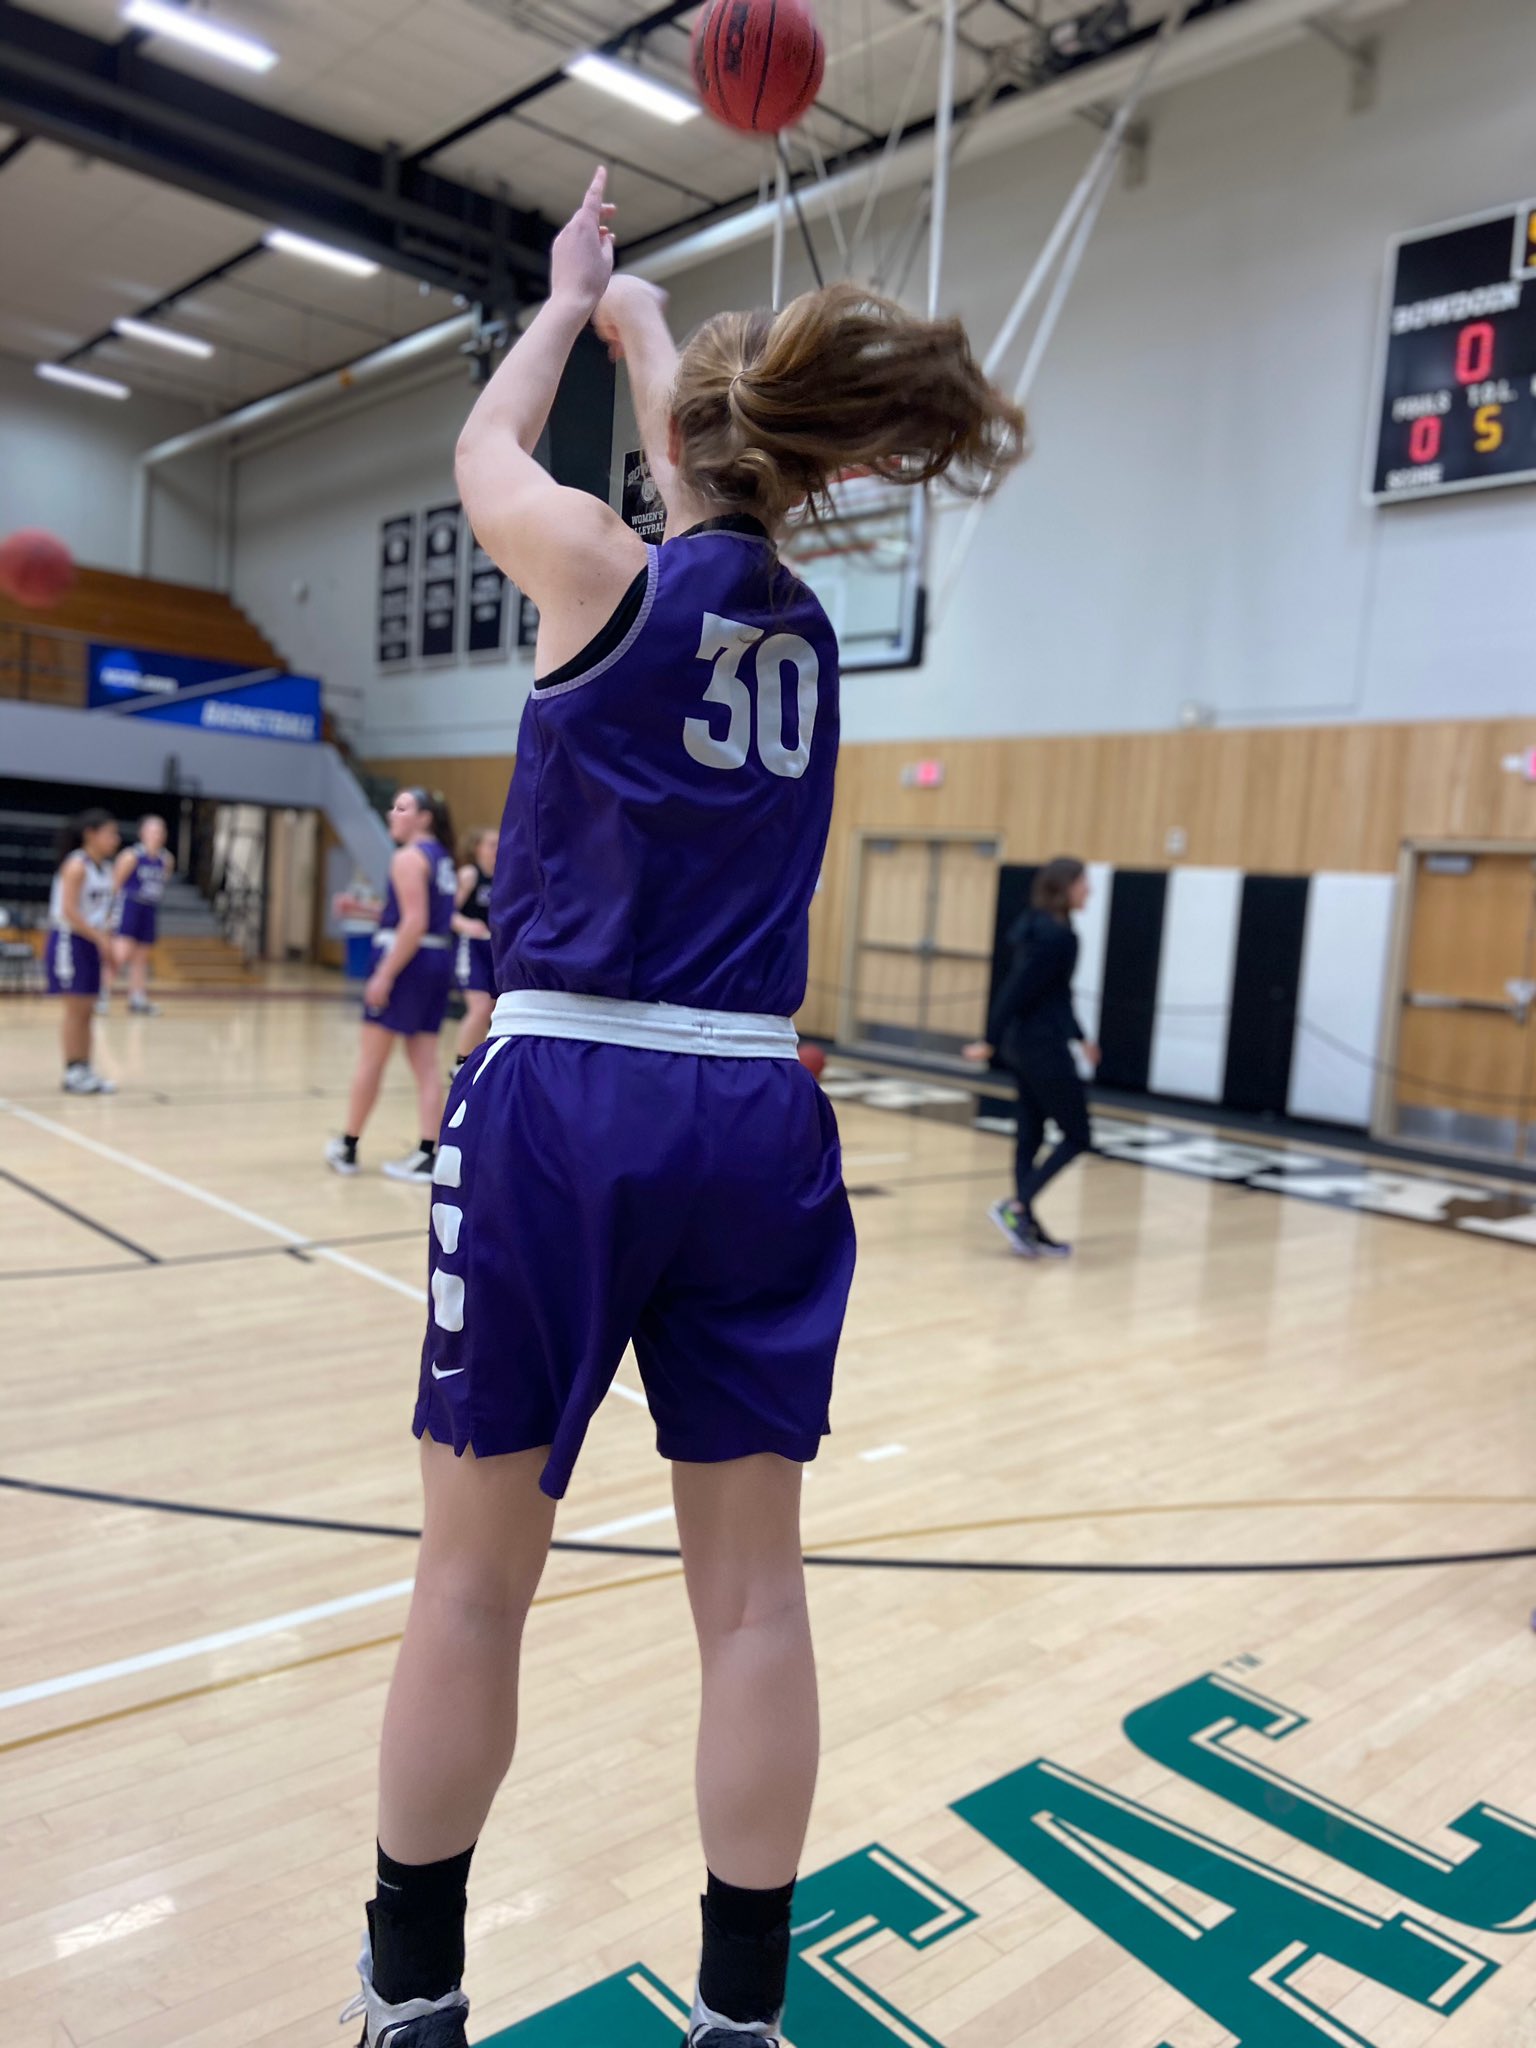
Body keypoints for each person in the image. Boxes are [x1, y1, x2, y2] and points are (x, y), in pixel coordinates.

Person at [337, 169, 1024, 2048]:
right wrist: (658, 343)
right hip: (755, 1109)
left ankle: (411, 1993)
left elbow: (486, 443)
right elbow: (714, 482)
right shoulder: (797, 633)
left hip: (568, 1095)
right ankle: (742, 2018)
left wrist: (565, 309)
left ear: (662, 461)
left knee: (473, 1586)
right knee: (753, 1606)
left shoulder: (591, 567)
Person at [964, 857, 1100, 1257]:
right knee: (1079, 1135)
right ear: (1064, 886)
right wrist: (987, 1039)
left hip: (1023, 1045)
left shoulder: (1040, 927)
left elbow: (1054, 994)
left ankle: (1027, 1227)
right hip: (1041, 1047)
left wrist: (1080, 1036)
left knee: (1031, 1134)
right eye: (1083, 883)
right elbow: (1017, 989)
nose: (1088, 891)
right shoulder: (1058, 937)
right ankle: (1018, 1206)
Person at [327, 788, 458, 1183]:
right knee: (425, 1063)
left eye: (401, 808)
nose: (391, 814)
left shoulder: (407, 857)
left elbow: (414, 923)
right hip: (436, 961)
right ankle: (426, 1154)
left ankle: (348, 1146)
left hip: (408, 963)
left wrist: (384, 973)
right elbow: (414, 916)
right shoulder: (442, 858)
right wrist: (366, 910)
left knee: (372, 1059)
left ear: (424, 818)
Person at [46, 808, 121, 1094]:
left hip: (90, 940)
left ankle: (85, 1068)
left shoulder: (105, 868)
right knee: (75, 1010)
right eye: (110, 833)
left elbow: (102, 913)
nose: (115, 839)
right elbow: (68, 910)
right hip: (69, 939)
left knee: (88, 1010)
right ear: (90, 834)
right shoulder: (76, 865)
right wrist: (99, 939)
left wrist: (107, 942)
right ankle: (72, 1071)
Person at [108, 812, 173, 1017]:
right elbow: (115, 885)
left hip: (149, 906)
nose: (157, 835)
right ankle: (100, 995)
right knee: (120, 953)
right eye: (153, 830)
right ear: (142, 833)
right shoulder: (131, 856)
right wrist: (110, 913)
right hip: (129, 904)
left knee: (142, 956)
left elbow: (163, 883)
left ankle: (137, 998)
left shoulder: (166, 858)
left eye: (160, 831)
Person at [450, 826, 498, 1067]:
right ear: (477, 848)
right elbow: (446, 915)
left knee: (493, 1010)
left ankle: (479, 1064)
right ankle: (460, 1065)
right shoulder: (469, 875)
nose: (497, 848)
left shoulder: (503, 876)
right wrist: (467, 924)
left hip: (496, 950)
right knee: (479, 1008)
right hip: (472, 948)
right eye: (492, 844)